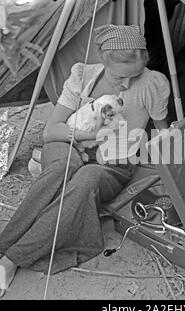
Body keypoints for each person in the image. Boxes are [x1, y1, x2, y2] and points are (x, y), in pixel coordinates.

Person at [0, 24, 170, 295]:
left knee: (85, 179)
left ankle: (10, 260)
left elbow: (162, 129)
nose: (126, 84)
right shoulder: (82, 75)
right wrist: (85, 137)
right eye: (120, 77)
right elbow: (51, 130)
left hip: (114, 160)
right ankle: (3, 244)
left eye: (134, 76)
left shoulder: (154, 84)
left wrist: (173, 144)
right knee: (61, 169)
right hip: (67, 143)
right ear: (103, 59)